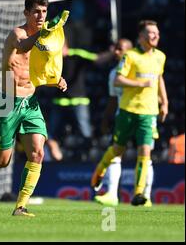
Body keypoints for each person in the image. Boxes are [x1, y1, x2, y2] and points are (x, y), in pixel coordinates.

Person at [0, 0, 68, 217]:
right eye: (36, 11)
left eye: (44, 12)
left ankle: (20, 206)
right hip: (7, 101)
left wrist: (56, 79)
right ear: (26, 13)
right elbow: (24, 47)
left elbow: (46, 65)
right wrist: (42, 35)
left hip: (30, 102)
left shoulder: (46, 37)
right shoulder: (16, 34)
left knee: (37, 152)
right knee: (0, 163)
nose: (40, 16)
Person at [90, 20, 169, 206]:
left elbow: (159, 79)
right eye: (151, 33)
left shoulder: (160, 57)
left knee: (145, 152)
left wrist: (164, 102)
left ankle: (139, 194)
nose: (156, 36)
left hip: (148, 113)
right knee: (118, 149)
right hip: (127, 111)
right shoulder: (131, 56)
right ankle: (100, 169)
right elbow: (118, 79)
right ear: (141, 37)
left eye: (157, 32)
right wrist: (140, 84)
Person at [46, 40, 114, 161]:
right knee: (50, 134)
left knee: (86, 133)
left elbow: (98, 59)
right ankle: (57, 158)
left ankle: (88, 159)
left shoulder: (77, 54)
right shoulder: (50, 59)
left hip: (79, 101)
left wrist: (111, 53)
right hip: (59, 102)